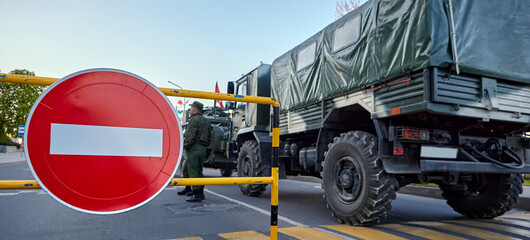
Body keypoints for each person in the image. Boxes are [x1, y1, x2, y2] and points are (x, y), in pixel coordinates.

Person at [179, 101, 211, 202]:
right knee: (197, 170)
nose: (190, 111)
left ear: (194, 109)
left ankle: (197, 194)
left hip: (194, 147)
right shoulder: (206, 121)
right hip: (202, 148)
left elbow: (190, 136)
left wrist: (186, 146)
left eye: (191, 108)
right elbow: (210, 136)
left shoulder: (193, 120)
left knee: (193, 170)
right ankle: (199, 192)